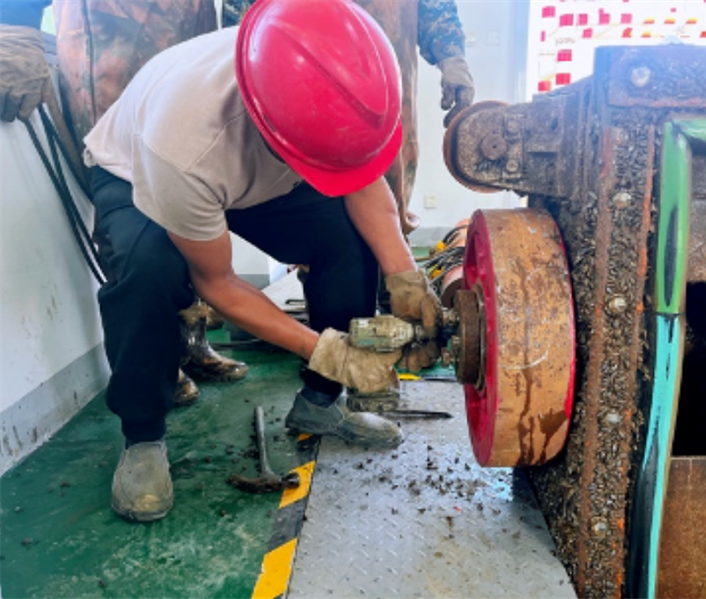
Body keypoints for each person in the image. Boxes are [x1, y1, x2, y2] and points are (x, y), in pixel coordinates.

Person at [78, 0, 442, 522]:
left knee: (349, 239)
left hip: (269, 158)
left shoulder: (348, 79)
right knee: (148, 272)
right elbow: (218, 282)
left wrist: (406, 278)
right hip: (139, 172)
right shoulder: (183, 145)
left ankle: (321, 404)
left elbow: (362, 184)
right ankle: (142, 438)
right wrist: (327, 350)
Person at [0, 0, 248, 407]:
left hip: (188, 38)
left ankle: (191, 342)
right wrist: (17, 26)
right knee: (134, 223)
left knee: (195, 208)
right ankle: (156, 364)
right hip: (108, 44)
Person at [225, 0, 475, 238]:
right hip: (297, 84)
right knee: (314, 211)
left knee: (386, 204)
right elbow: (242, 21)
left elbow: (435, 8)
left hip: (384, 92)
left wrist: (452, 59)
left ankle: (384, 259)